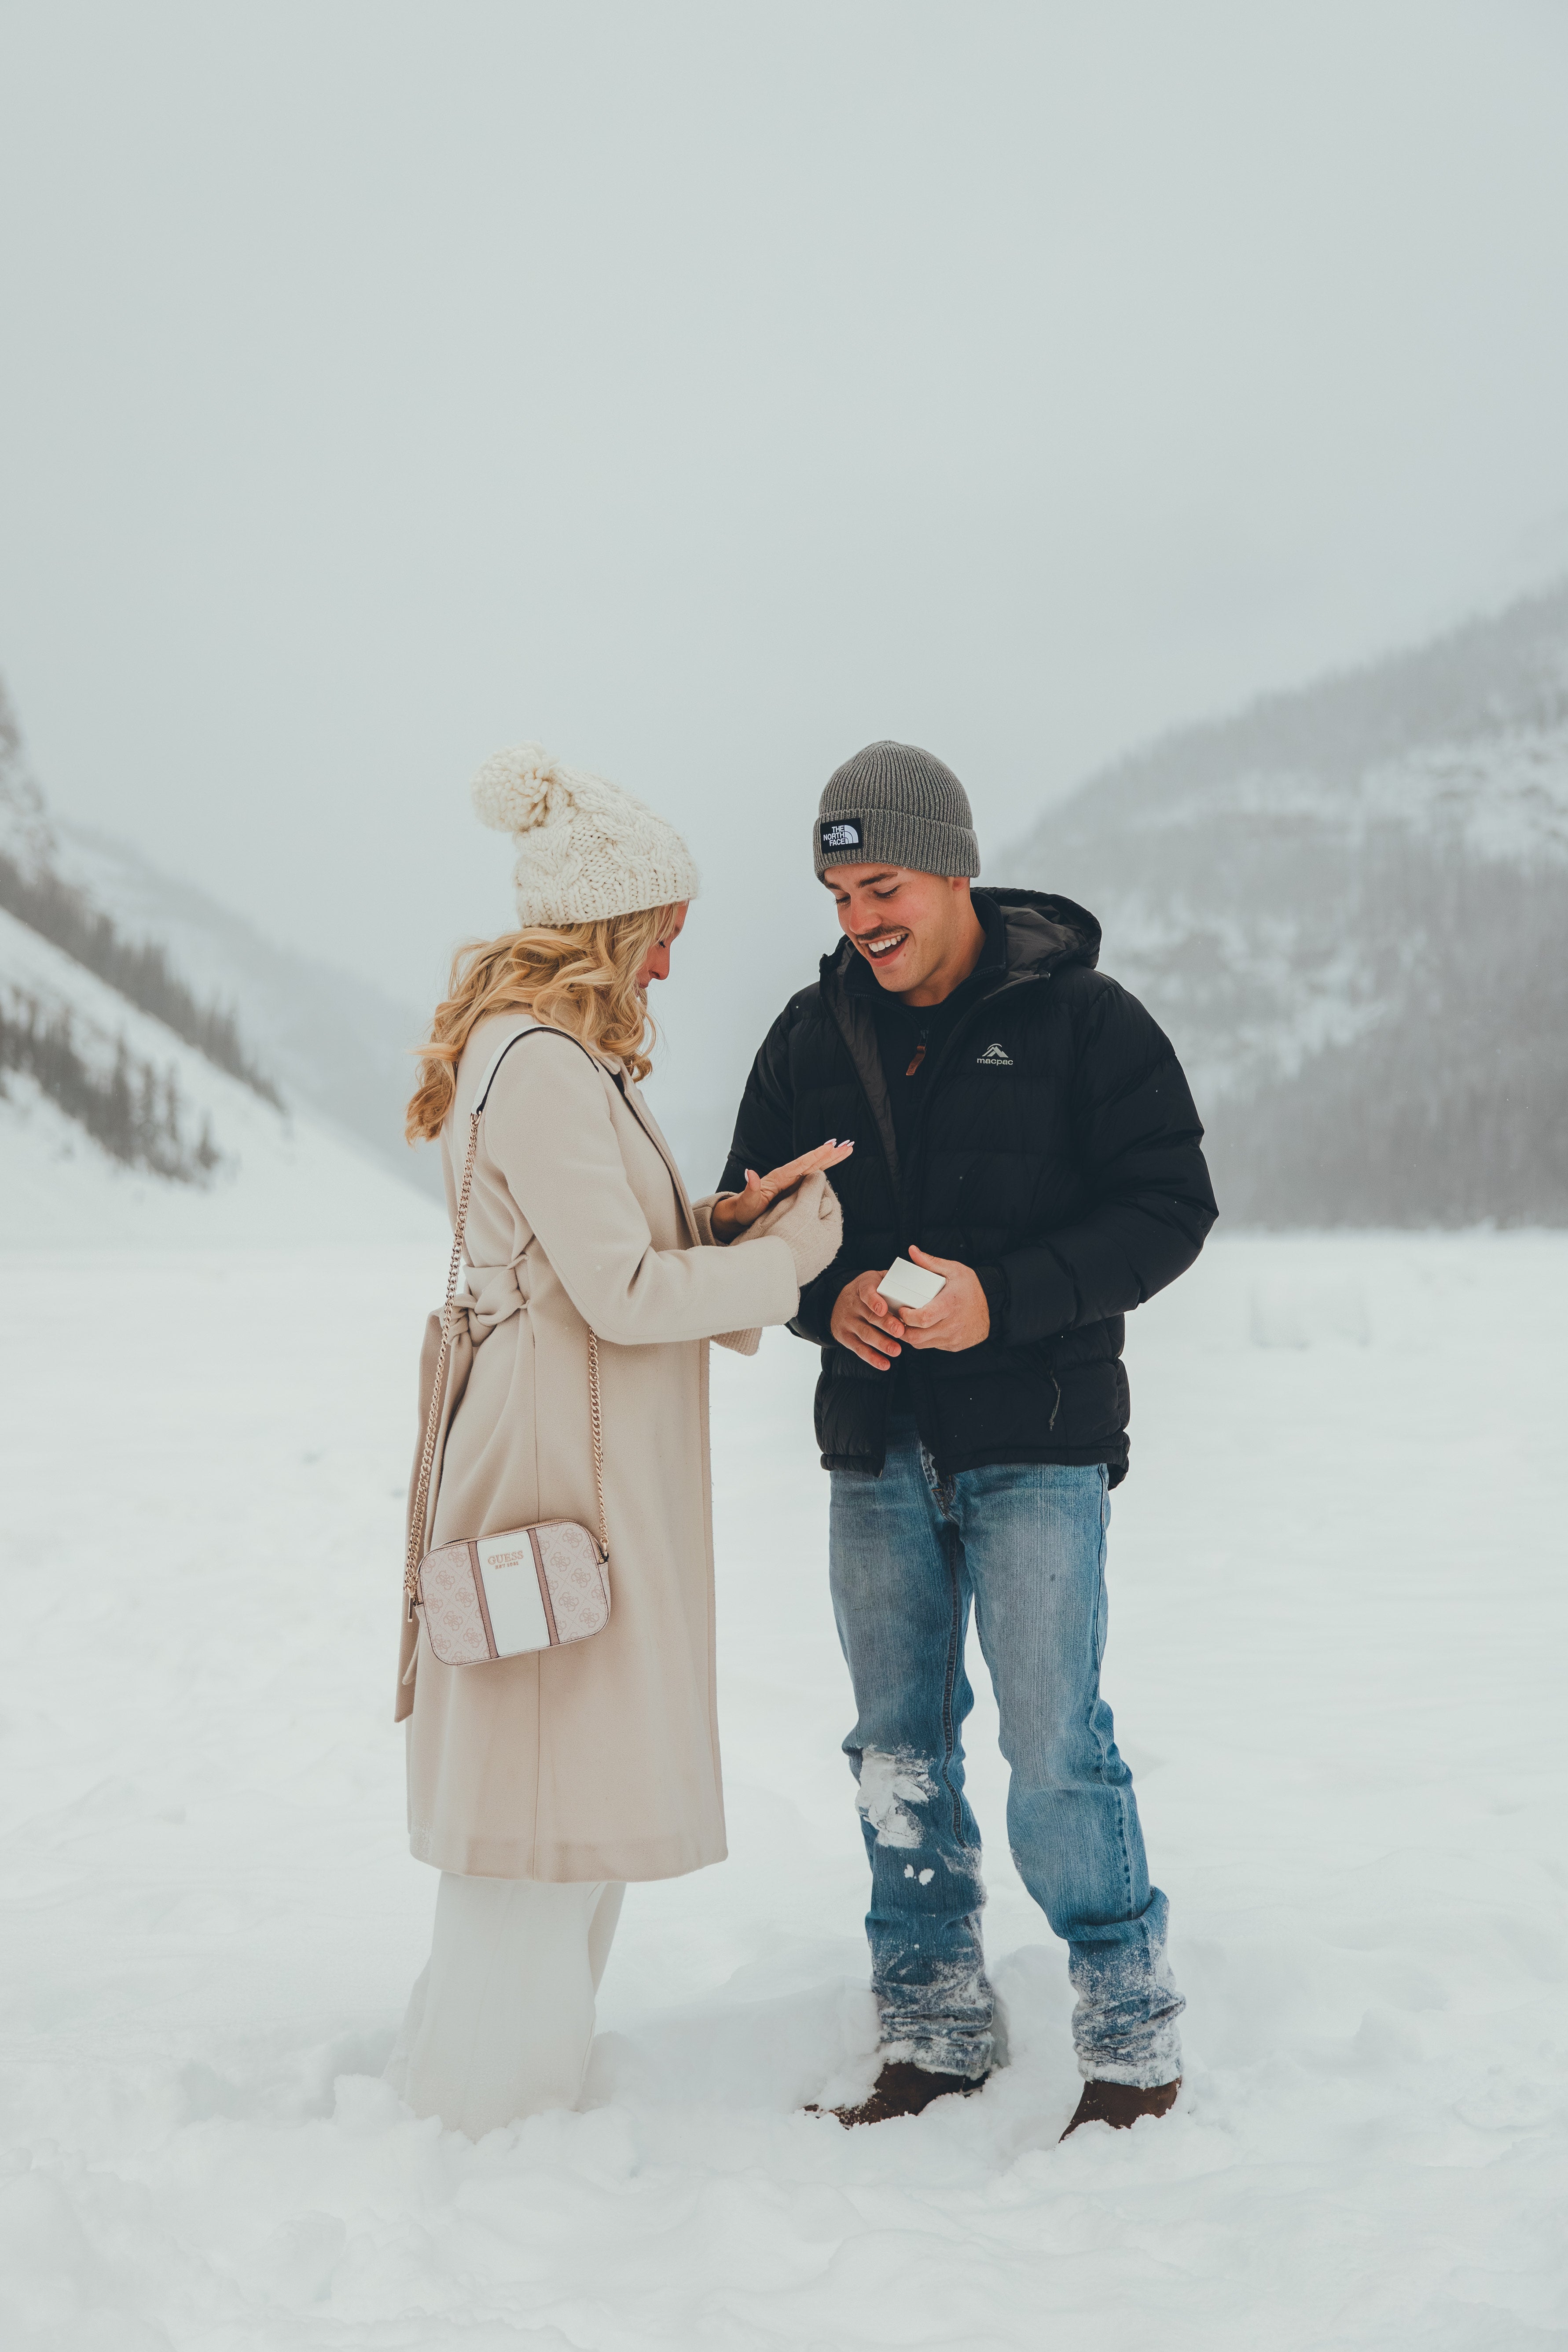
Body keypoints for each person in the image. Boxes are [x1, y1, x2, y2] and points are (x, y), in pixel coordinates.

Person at [720, 740, 1217, 2135]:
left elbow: (1168, 1210)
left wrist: (1001, 1300)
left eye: (879, 887)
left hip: (1038, 1441)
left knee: (1056, 1745)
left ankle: (1129, 2039)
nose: (858, 921)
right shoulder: (807, 1035)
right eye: (837, 898)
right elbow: (750, 1215)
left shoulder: (1087, 1021)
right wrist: (828, 1297)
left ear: (950, 871)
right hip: (873, 1443)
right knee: (895, 1748)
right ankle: (931, 2029)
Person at [386, 742, 849, 2138]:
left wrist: (720, 1223)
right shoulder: (538, 1064)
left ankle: (509, 2095)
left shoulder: (559, 1058)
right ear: (608, 924)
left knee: (562, 1790)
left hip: (570, 1443)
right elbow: (620, 1294)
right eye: (661, 932)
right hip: (555, 1461)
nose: (668, 962)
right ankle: (483, 2117)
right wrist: (784, 1265)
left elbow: (599, 1253)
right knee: (542, 1793)